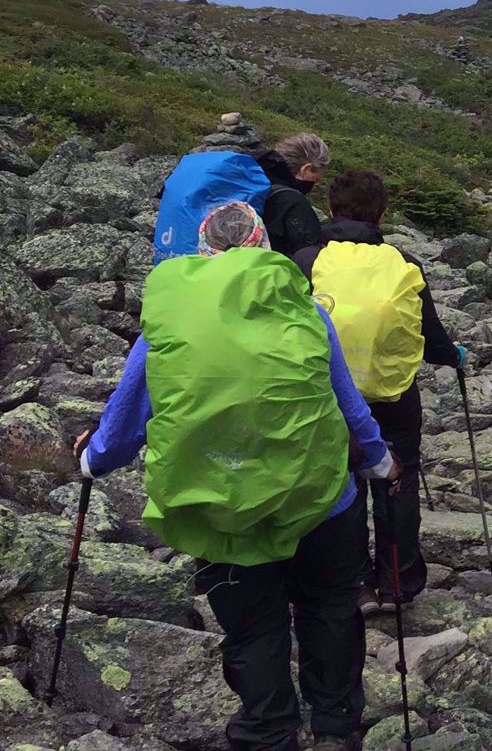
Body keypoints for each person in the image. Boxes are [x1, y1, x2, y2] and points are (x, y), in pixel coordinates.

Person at [75, 202, 396, 751]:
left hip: (219, 506)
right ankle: (336, 725)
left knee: (254, 627)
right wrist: (380, 461)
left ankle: (270, 732)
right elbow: (345, 403)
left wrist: (93, 460)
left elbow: (129, 413)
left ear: (203, 250)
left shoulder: (172, 320)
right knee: (328, 608)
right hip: (320, 499)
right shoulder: (304, 310)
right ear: (263, 246)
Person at [293, 170, 464, 614]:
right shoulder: (403, 263)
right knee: (396, 481)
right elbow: (429, 338)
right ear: (382, 213)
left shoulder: (306, 259)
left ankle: (349, 582)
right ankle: (397, 581)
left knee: (338, 481)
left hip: (328, 396)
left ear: (331, 208)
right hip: (392, 395)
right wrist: (456, 358)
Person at [248, 133, 330, 258]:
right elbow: (309, 256)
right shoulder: (293, 201)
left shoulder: (255, 183)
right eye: (316, 179)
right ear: (306, 169)